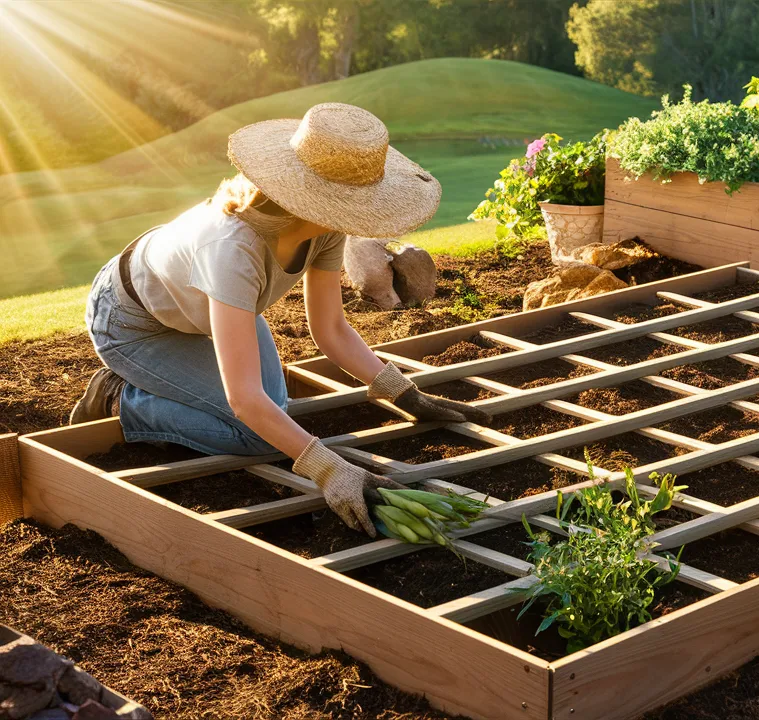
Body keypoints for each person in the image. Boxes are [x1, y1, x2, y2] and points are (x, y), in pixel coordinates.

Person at [70, 103, 492, 537]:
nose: (363, 215)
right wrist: (328, 469)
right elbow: (244, 400)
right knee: (255, 433)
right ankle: (119, 398)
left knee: (273, 414)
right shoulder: (231, 248)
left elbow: (330, 330)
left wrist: (403, 393)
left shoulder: (325, 227)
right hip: (133, 323)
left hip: (207, 309)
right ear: (314, 198)